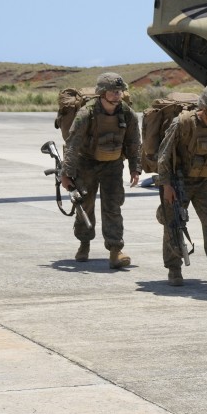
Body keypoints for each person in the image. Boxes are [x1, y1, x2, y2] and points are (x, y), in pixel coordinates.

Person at [156, 83, 207, 293]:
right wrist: (166, 185)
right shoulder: (183, 123)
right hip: (179, 181)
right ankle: (174, 268)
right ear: (203, 108)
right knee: (174, 224)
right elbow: (164, 155)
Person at [61, 72, 141, 268]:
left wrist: (135, 168)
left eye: (120, 91)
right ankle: (84, 243)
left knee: (113, 206)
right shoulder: (86, 114)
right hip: (86, 163)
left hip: (113, 165)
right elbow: (73, 144)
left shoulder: (127, 113)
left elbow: (133, 142)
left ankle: (115, 250)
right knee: (84, 205)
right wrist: (66, 173)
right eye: (113, 92)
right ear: (102, 93)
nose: (117, 95)